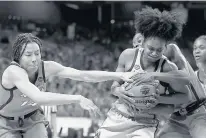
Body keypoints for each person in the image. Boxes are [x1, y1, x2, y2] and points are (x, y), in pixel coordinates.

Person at [0, 33, 137, 138]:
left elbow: (83, 75)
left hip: (33, 119)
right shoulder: (14, 72)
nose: (34, 59)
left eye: (37, 53)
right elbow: (39, 97)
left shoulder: (47, 67)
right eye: (28, 55)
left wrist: (118, 75)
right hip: (6, 122)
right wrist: (77, 98)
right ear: (18, 57)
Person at [94, 7, 192, 138]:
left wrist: (158, 99)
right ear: (142, 42)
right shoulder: (128, 56)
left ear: (165, 47)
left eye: (159, 50)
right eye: (151, 48)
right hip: (117, 118)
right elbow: (114, 87)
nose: (154, 53)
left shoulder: (167, 67)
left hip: (144, 124)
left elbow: (186, 96)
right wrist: (118, 91)